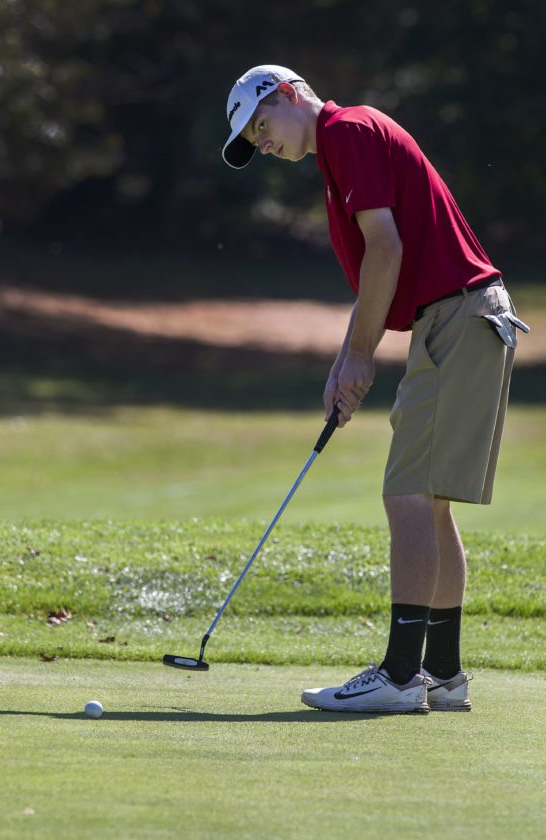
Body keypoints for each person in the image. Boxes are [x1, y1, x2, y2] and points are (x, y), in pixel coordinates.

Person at [221, 65, 529, 714]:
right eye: (252, 138)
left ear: (288, 94)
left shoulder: (347, 131)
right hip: (462, 317)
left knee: (407, 494)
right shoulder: (343, 146)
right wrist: (346, 359)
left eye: (261, 125)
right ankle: (442, 674)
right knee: (429, 502)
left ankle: (399, 674)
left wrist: (361, 355)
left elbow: (385, 251)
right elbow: (378, 268)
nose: (263, 143)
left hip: (459, 316)